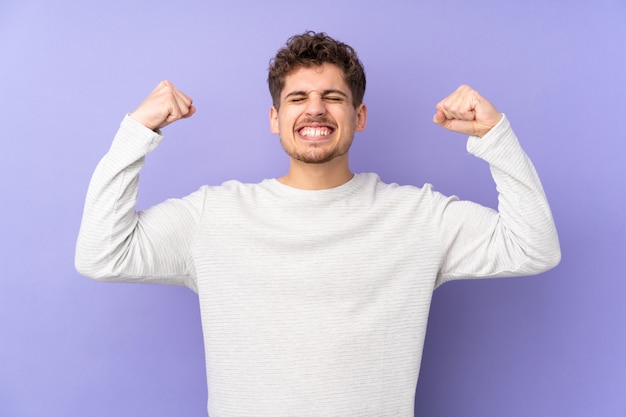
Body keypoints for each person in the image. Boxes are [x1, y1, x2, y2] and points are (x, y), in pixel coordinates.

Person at [75, 31, 560, 416]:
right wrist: (136, 132)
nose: (314, 109)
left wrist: (497, 136)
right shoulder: (213, 216)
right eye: (298, 97)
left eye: (333, 96)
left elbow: (533, 247)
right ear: (274, 117)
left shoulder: (419, 217)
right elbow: (102, 254)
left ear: (359, 115)